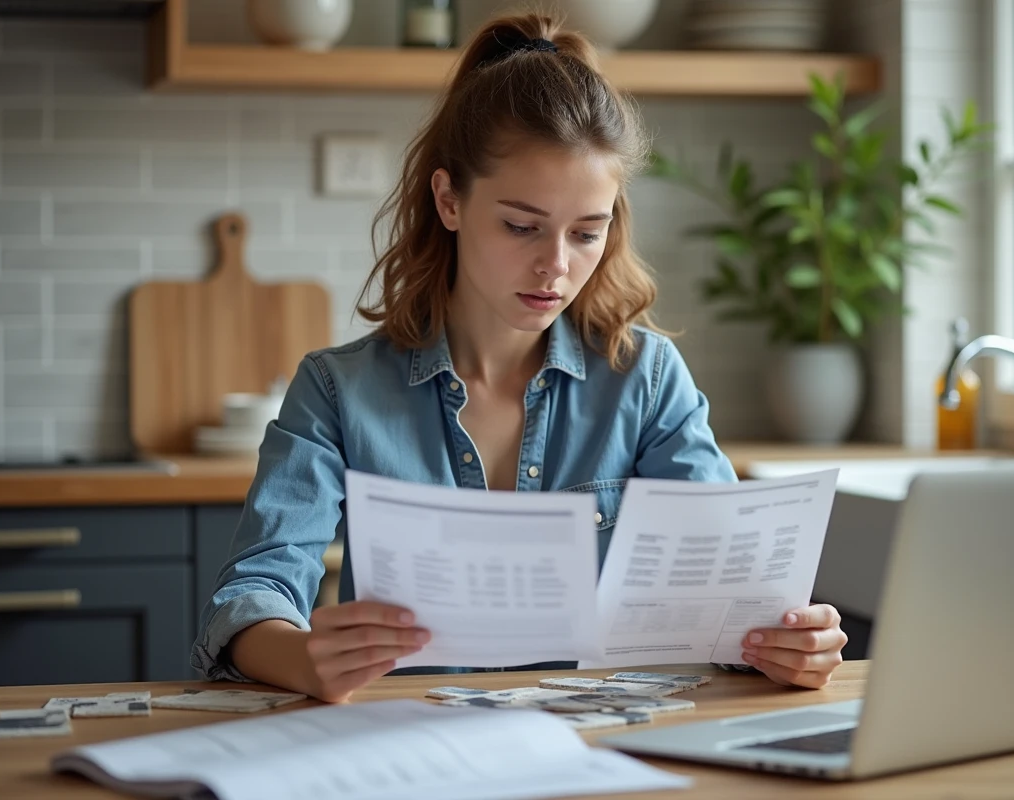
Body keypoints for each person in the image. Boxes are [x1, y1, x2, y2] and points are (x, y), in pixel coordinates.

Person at [193, 12, 847, 703]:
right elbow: (254, 587)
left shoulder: (646, 381)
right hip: (408, 749)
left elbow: (731, 599)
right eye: (520, 226)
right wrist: (299, 657)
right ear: (449, 199)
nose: (556, 268)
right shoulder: (337, 390)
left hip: (599, 750)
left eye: (587, 233)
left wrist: (785, 645)